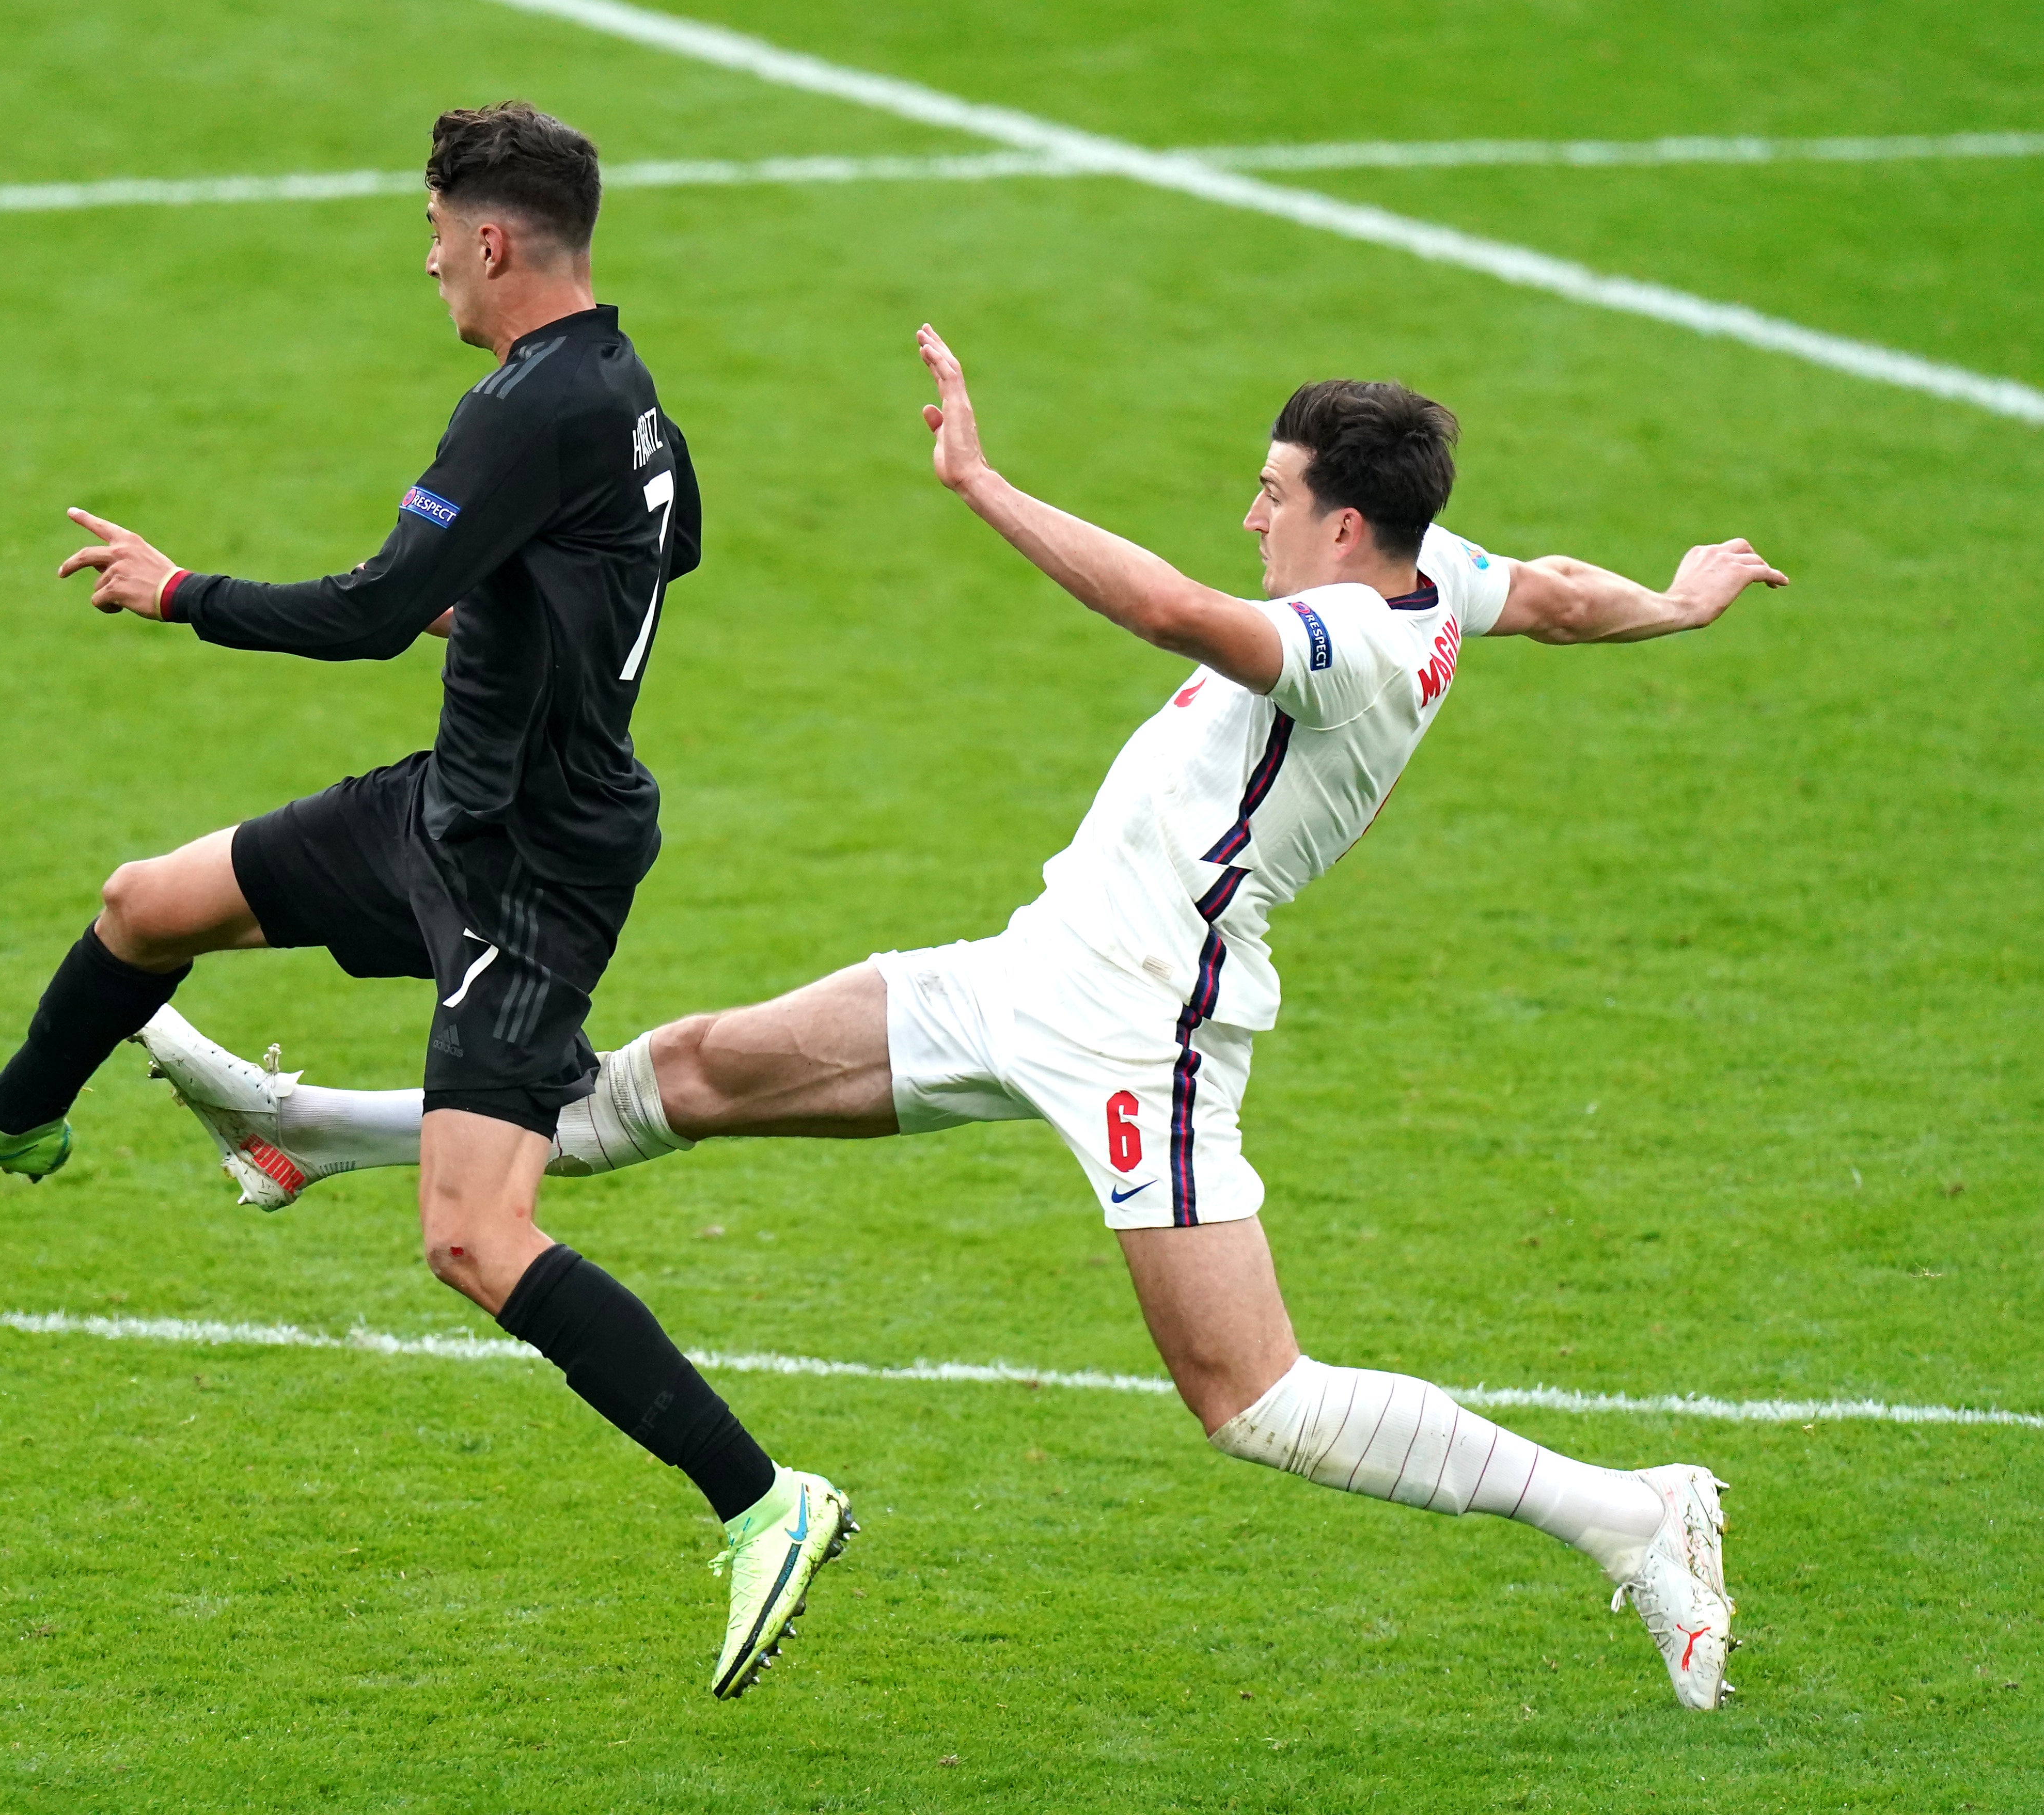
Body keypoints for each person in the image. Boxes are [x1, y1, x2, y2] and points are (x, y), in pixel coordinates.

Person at [142, 326, 1789, 1712]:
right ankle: (316, 1139)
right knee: (700, 1069)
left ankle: (1633, 1514)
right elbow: (1552, 592)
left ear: (1349, 528)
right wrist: (1674, 598)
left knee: (1252, 1396)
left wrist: (984, 486)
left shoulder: (1342, 641)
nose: (1249, 512)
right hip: (1037, 966)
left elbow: (1167, 613)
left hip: (1145, 1030)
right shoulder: (1439, 581)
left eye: (1275, 496)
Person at [0, 101, 853, 1700]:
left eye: (428, 236)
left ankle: (765, 1498)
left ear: (489, 238)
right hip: (445, 805)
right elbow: (628, 572)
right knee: (143, 907)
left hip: (531, 865)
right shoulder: (629, 406)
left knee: (474, 1240)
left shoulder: (528, 407)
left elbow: (372, 608)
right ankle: (14, 1118)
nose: (424, 267)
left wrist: (179, 590)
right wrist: (500, 625)